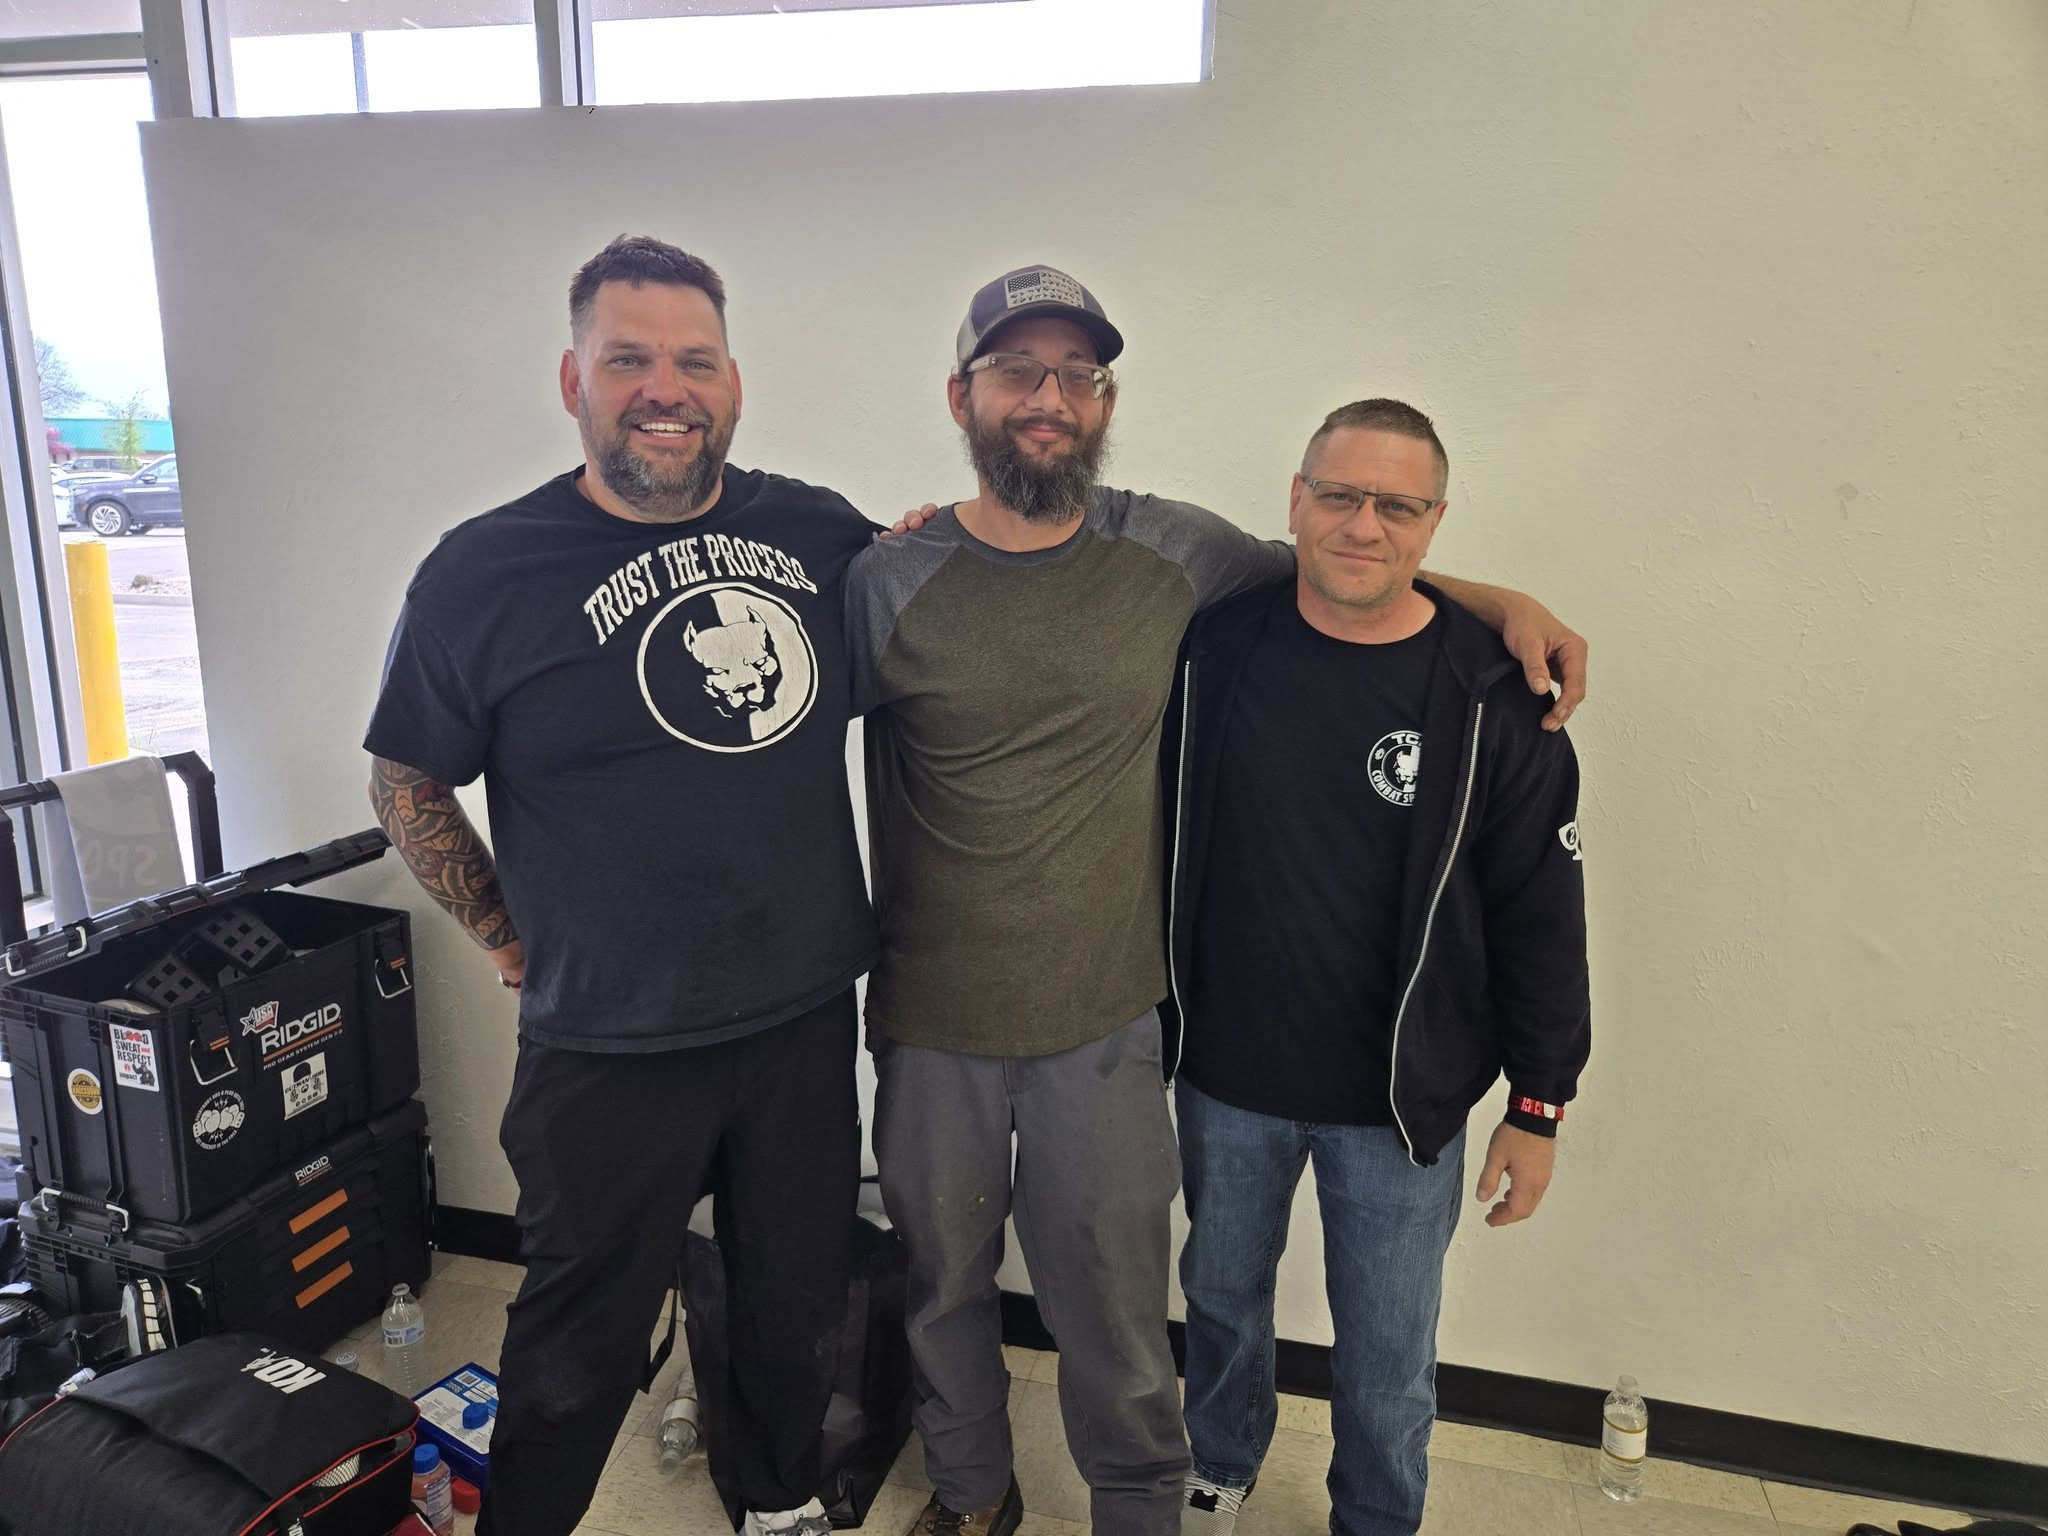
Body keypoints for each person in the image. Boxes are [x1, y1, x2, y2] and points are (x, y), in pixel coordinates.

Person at [845, 270, 1587, 1536]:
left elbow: (1359, 572)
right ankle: (979, 1497)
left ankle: (1157, 1514)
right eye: (1017, 371)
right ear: (961, 395)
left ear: (1105, 401)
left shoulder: (1177, 555)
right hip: (952, 1023)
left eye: (1075, 375)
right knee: (953, 1290)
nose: (1047, 397)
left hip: (1127, 1034)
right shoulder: (887, 578)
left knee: (1136, 1318)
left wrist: (1507, 603)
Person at [364, 236, 878, 1536]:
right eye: (629, 359)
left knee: (790, 1298)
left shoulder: (818, 533)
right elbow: (409, 784)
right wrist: (501, 934)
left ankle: (773, 1503)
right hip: (606, 1037)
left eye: (694, 360)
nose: (666, 387)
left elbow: (988, 595)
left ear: (734, 381)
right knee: (575, 1345)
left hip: (801, 1012)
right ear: (572, 378)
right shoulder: (485, 570)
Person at [1165, 399, 1591, 1536]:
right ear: (1295, 501)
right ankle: (1217, 1463)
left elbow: (1542, 917)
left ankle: (1376, 1518)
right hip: (1224, 1077)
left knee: (1389, 1352)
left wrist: (1538, 1107)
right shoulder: (1213, 646)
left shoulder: (1494, 697)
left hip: (1401, 1102)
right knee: (1217, 1302)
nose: (1364, 525)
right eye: (1339, 495)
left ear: (1434, 523)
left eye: (1396, 505)